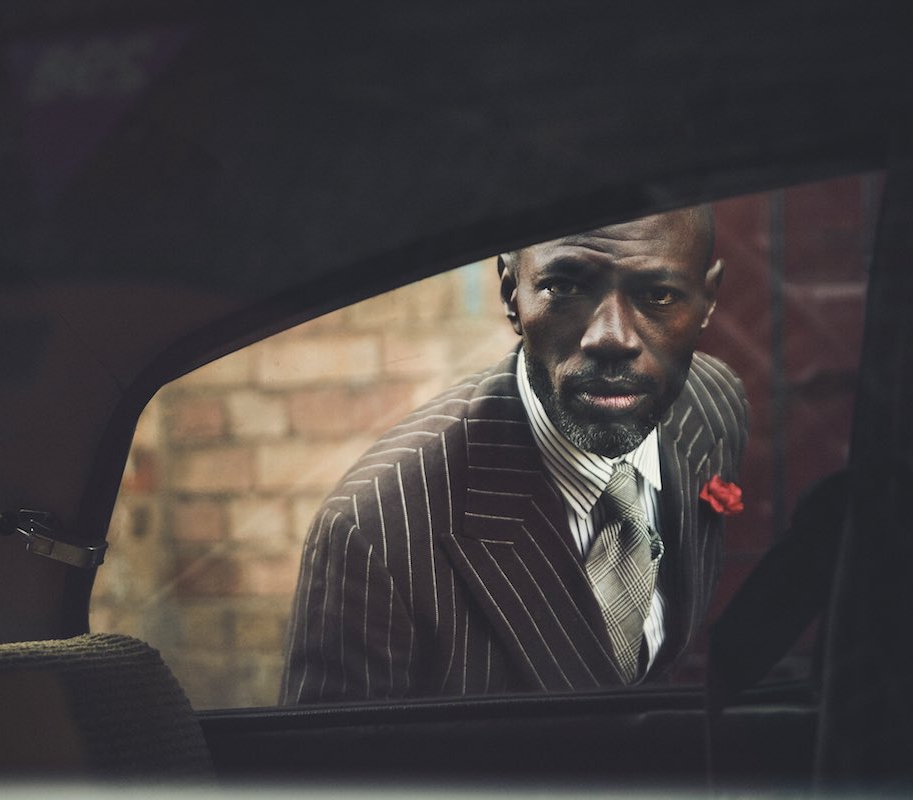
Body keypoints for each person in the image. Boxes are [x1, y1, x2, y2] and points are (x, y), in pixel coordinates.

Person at [281, 207, 747, 703]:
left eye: (658, 295)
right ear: (510, 293)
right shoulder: (375, 532)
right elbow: (335, 774)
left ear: (707, 301)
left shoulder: (715, 406)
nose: (612, 338)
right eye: (565, 287)